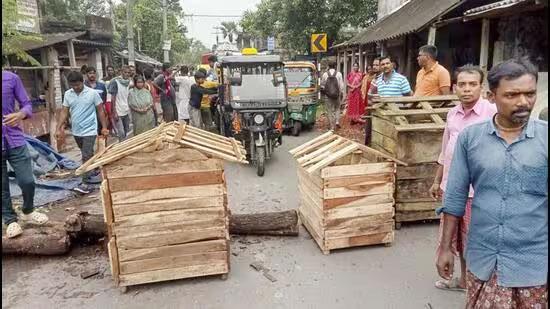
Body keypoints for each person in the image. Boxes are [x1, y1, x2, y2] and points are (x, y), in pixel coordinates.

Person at [436, 59, 547, 307]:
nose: (523, 102)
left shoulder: (546, 138)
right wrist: (446, 248)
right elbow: (454, 197)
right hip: (483, 258)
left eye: (529, 94)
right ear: (492, 96)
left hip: (533, 263)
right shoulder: (471, 138)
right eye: (512, 95)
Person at [429, 65, 497, 292]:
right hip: (452, 188)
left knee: (475, 240)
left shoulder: (491, 112)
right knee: (456, 238)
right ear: (454, 87)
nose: (467, 89)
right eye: (462, 84)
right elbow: (445, 149)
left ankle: (480, 284)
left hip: (478, 191)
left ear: (482, 87)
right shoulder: (452, 114)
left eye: (473, 84)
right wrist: (437, 180)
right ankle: (464, 280)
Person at [2, 70, 49, 238]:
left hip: (15, 139)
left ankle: (28, 210)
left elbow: (27, 104)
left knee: (27, 180)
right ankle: (9, 220)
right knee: (2, 188)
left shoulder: (11, 78)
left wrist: (21, 114)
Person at [56, 71, 109, 194]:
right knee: (86, 153)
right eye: (73, 85)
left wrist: (104, 127)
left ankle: (85, 183)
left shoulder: (92, 93)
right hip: (76, 130)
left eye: (78, 85)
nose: (75, 88)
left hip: (90, 130)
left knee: (86, 154)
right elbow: (64, 112)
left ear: (82, 82)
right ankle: (92, 170)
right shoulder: (68, 94)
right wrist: (59, 128)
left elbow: (100, 111)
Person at [108, 66, 132, 141]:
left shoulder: (128, 82)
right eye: (125, 72)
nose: (127, 74)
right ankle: (122, 147)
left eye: (128, 72)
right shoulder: (115, 82)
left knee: (126, 131)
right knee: (121, 132)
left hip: (126, 110)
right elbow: (113, 98)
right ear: (121, 72)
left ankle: (123, 145)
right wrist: (114, 112)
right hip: (118, 111)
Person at [321, 61, 345, 130]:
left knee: (329, 110)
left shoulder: (325, 74)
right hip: (336, 95)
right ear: (335, 66)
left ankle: (331, 126)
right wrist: (341, 93)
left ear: (328, 66)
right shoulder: (339, 74)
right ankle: (337, 122)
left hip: (328, 96)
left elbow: (322, 85)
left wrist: (324, 92)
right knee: (337, 108)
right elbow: (341, 85)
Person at [84, 67, 108, 136]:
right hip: (88, 114)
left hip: (100, 113)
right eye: (90, 73)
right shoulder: (83, 86)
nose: (92, 75)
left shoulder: (101, 86)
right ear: (86, 75)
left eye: (93, 73)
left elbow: (104, 99)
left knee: (102, 134)